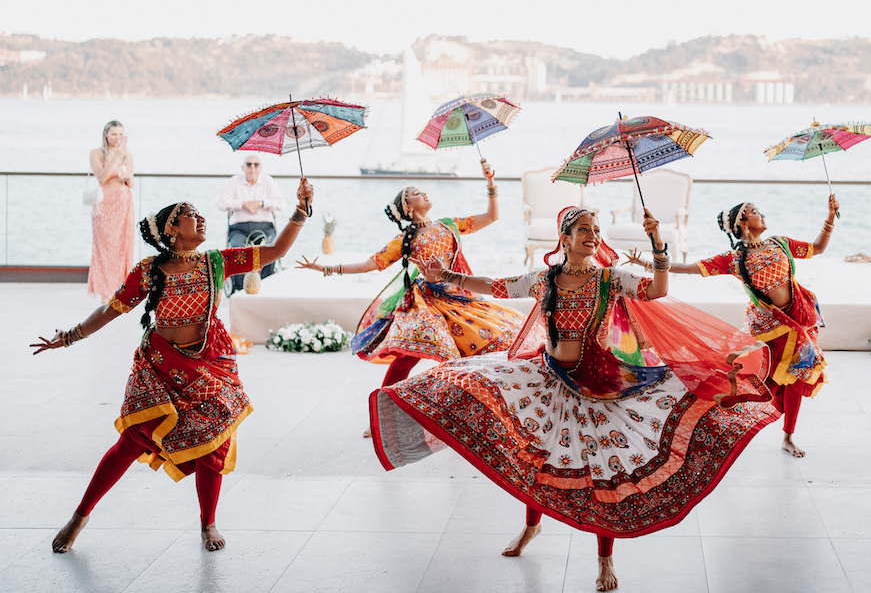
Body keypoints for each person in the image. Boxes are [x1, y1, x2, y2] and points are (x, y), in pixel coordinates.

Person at [370, 206, 778, 592]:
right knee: (533, 452)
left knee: (601, 472)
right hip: (550, 378)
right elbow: (496, 286)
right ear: (564, 238)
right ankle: (532, 526)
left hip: (601, 387)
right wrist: (450, 277)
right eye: (585, 229)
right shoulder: (543, 280)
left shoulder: (611, 278)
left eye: (596, 231)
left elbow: (656, 290)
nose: (593, 235)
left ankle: (604, 559)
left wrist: (657, 246)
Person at [32, 179, 315, 554]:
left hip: (209, 364)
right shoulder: (149, 270)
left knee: (214, 444)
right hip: (160, 366)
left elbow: (276, 249)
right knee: (131, 441)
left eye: (200, 214)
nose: (200, 218)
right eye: (189, 214)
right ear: (170, 229)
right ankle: (80, 515)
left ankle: (207, 523)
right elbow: (108, 310)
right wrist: (69, 336)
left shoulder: (218, 261)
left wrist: (300, 211)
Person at [296, 160, 522, 433]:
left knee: (480, 348)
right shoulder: (404, 239)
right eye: (415, 193)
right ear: (408, 208)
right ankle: (382, 418)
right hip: (424, 303)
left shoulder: (449, 225)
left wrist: (490, 182)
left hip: (455, 297)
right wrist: (326, 268)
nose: (423, 193)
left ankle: (472, 412)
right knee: (406, 358)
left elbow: (491, 217)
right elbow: (370, 264)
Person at [627, 197, 839, 457]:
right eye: (754, 212)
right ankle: (713, 427)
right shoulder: (735, 259)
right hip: (769, 329)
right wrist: (651, 263)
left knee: (797, 378)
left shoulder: (781, 243)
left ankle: (788, 436)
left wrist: (829, 218)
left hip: (799, 320)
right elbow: (694, 268)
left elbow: (817, 248)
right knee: (746, 382)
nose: (761, 214)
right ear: (743, 224)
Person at [216, 153, 287, 292]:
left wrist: (260, 203)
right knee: (237, 250)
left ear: (260, 168)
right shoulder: (234, 182)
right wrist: (243, 204)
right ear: (243, 167)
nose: (252, 168)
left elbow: (281, 203)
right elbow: (222, 204)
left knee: (272, 247)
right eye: (249, 165)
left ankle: (266, 285)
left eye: (256, 165)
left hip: (264, 226)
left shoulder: (268, 181)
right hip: (239, 228)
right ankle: (239, 289)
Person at [87, 120, 136, 298]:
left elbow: (131, 179)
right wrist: (115, 157)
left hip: (123, 199)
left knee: (124, 244)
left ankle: (122, 290)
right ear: (106, 134)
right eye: (114, 134)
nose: (117, 138)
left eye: (120, 134)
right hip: (105, 201)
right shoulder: (97, 153)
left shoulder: (127, 155)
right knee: (104, 245)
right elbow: (102, 177)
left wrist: (129, 179)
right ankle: (104, 292)